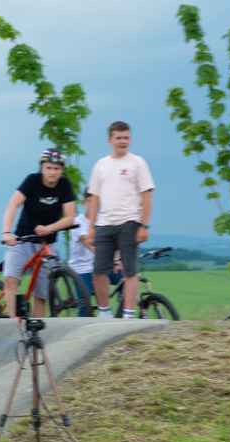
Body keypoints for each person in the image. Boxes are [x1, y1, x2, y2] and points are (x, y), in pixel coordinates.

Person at [87, 121, 155, 319]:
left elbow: (147, 195)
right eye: (118, 138)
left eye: (126, 138)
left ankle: (128, 314)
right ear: (110, 141)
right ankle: (104, 313)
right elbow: (95, 198)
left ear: (130, 139)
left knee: (130, 271)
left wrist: (144, 225)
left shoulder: (137, 163)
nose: (123, 141)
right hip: (104, 224)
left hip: (130, 222)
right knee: (99, 271)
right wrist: (91, 227)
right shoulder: (101, 165)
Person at [1, 148, 76, 317]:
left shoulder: (64, 185)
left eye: (56, 168)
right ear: (42, 167)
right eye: (49, 168)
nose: (52, 172)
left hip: (47, 243)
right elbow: (12, 206)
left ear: (62, 170)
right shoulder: (32, 180)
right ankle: (15, 327)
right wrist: (7, 233)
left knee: (42, 295)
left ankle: (35, 337)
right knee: (10, 280)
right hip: (23, 240)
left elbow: (70, 218)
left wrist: (49, 228)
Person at [67, 189, 123, 317]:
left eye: (96, 201)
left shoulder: (105, 220)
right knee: (85, 306)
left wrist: (117, 261)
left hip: (102, 266)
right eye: (89, 201)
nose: (93, 205)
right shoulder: (77, 222)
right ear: (83, 202)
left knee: (126, 281)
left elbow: (112, 243)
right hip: (82, 269)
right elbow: (89, 244)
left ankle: (120, 315)